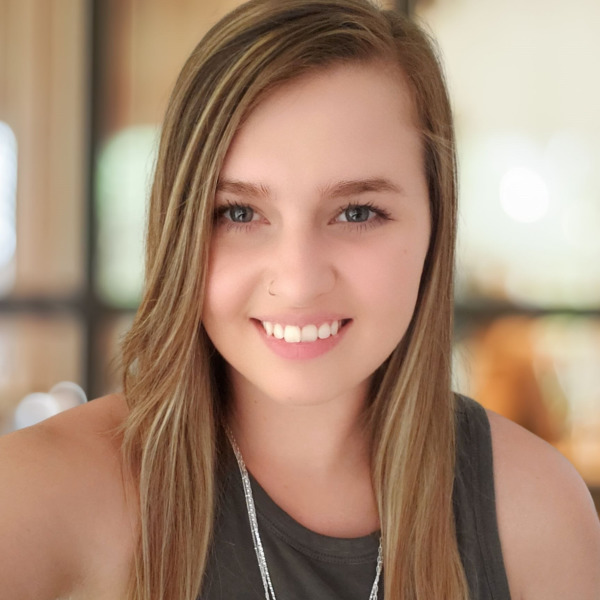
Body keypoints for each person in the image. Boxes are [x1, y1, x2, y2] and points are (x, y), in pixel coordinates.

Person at [1, 1, 599, 599]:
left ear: (436, 224)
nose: (299, 281)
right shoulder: (37, 497)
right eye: (240, 213)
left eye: (357, 212)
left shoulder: (534, 512)